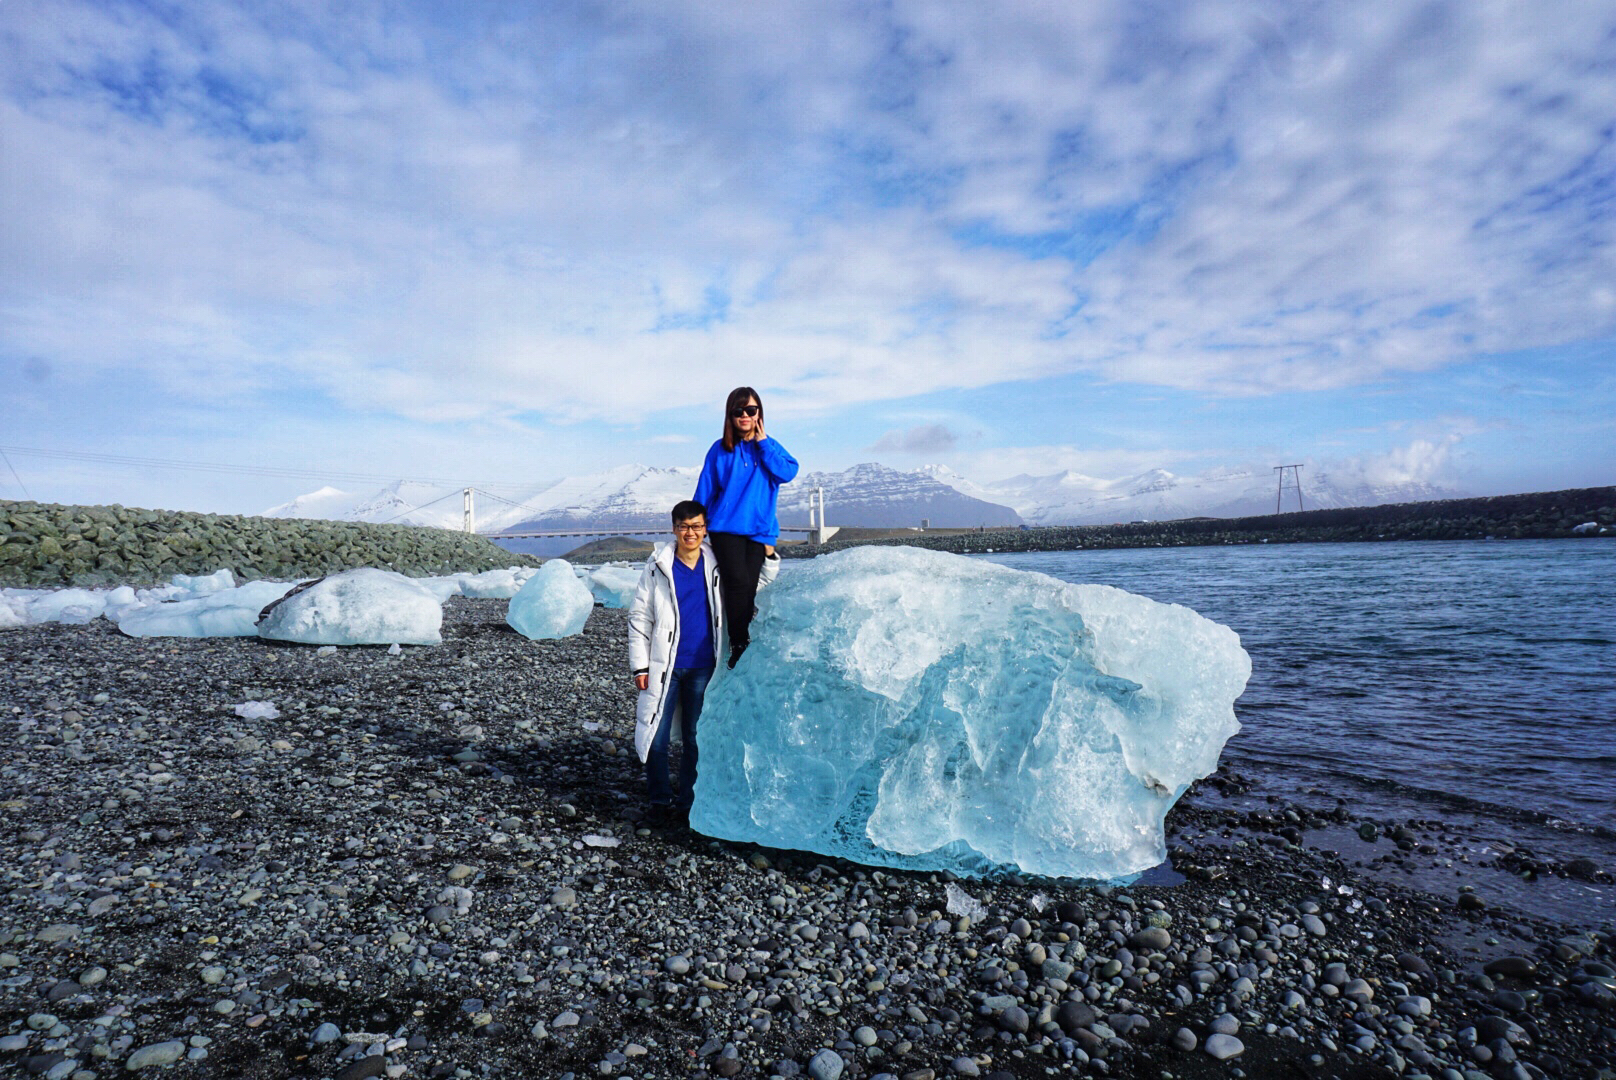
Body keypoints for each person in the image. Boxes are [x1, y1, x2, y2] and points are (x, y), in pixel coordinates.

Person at [626, 500, 775, 825]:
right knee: (657, 735)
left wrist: (769, 558)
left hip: (705, 666)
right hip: (664, 666)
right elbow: (640, 616)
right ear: (674, 528)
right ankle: (659, 801)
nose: (690, 533)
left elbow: (752, 587)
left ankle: (688, 803)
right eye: (683, 526)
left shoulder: (717, 564)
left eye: (696, 526)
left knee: (696, 737)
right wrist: (640, 665)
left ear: (705, 528)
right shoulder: (657, 566)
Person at [693, 386, 798, 668]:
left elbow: (788, 472)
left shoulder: (770, 446)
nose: (745, 415)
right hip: (725, 528)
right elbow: (706, 488)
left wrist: (763, 444)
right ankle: (739, 642)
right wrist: (695, 523)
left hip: (759, 530)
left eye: (751, 410)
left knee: (749, 587)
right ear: (730, 415)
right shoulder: (720, 449)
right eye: (738, 411)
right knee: (737, 582)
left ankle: (741, 635)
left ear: (759, 413)